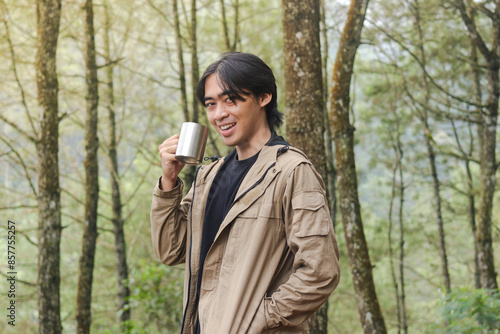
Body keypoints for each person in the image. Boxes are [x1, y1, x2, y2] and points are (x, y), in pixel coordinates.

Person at [150, 52, 340, 334]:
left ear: (264, 97)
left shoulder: (291, 171)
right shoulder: (208, 175)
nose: (219, 114)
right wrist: (169, 182)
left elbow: (320, 272)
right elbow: (171, 250)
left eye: (231, 100)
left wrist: (260, 319)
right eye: (211, 104)